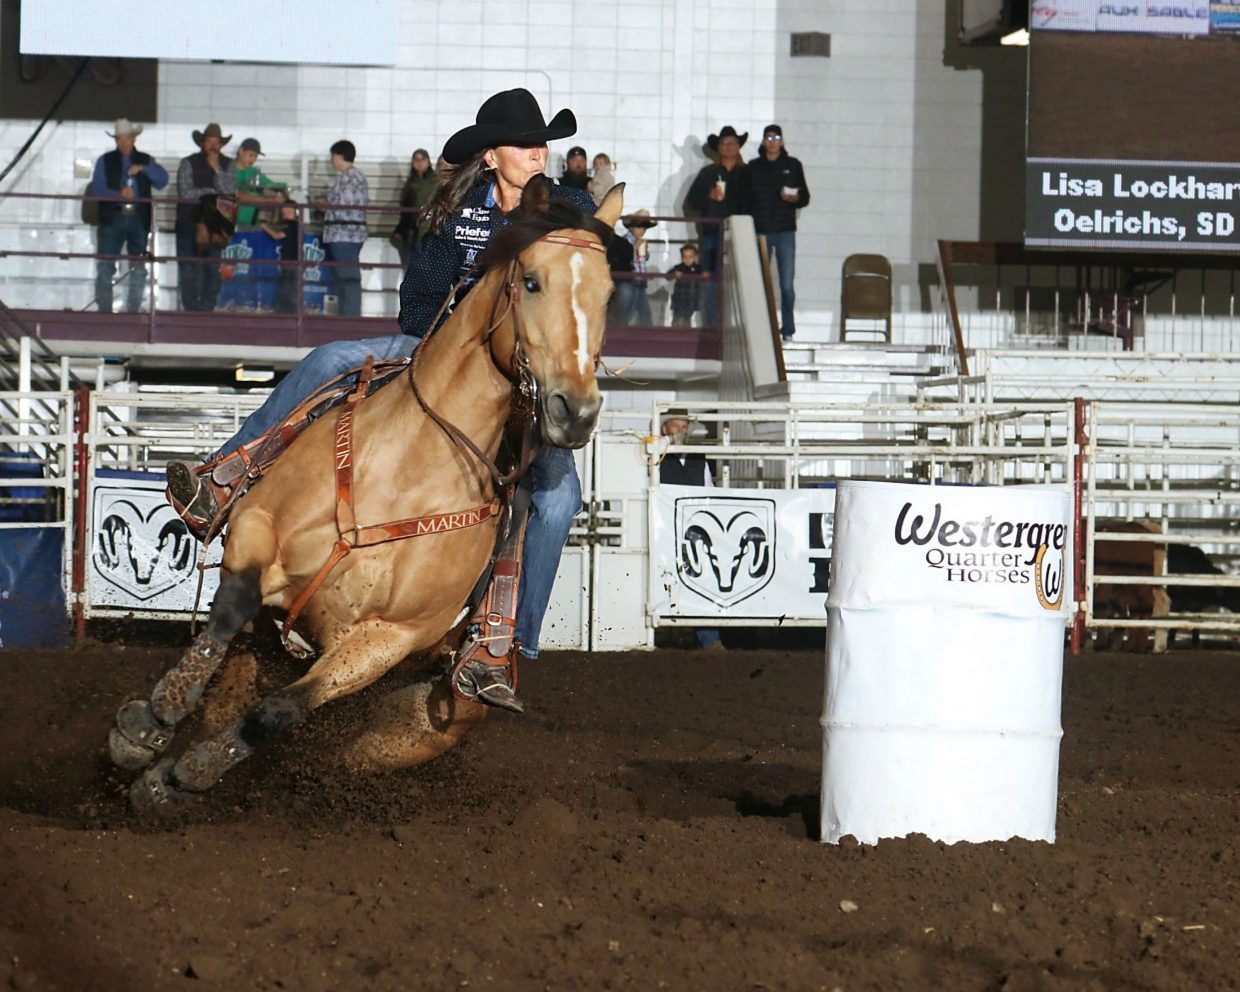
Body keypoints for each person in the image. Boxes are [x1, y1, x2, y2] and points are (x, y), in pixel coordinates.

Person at [166, 87, 597, 711]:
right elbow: (419, 297)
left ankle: (501, 644)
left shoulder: (565, 204)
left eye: (541, 143)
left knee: (558, 497)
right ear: (491, 155)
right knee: (329, 360)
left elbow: (601, 255)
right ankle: (226, 478)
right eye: (526, 144)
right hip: (440, 352)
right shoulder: (460, 211)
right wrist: (445, 345)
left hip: (524, 375)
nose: (539, 153)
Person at [658, 409, 722, 650]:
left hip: (693, 529)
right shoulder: (656, 453)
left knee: (701, 578)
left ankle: (708, 638)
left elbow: (709, 492)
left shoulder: (698, 457)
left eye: (684, 427)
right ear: (665, 429)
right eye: (675, 426)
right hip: (664, 528)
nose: (680, 431)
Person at [90, 118, 168, 314]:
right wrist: (118, 194)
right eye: (122, 139)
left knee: (138, 268)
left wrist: (143, 168)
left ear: (133, 139)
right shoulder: (105, 160)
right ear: (117, 140)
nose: (125, 142)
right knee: (107, 267)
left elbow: (162, 180)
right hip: (114, 217)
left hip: (137, 218)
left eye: (128, 138)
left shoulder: (144, 160)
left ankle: (132, 308)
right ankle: (105, 309)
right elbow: (98, 190)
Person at [684, 125, 750, 327]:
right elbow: (691, 202)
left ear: (738, 146)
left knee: (741, 281)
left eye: (732, 143)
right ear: (718, 147)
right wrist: (709, 197)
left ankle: (738, 325)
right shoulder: (708, 173)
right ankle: (712, 325)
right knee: (712, 280)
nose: (728, 147)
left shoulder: (748, 174)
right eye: (724, 143)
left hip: (741, 235)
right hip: (713, 233)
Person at [749, 124, 810, 341]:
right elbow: (746, 199)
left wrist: (795, 199)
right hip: (761, 231)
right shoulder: (754, 167)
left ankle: (788, 329)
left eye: (777, 137)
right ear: (764, 141)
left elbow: (805, 197)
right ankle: (760, 327)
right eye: (769, 137)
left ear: (782, 141)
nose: (773, 141)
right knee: (760, 283)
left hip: (785, 231)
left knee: (786, 285)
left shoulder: (793, 165)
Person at [176, 123, 233, 311]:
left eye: (217, 142)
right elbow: (185, 192)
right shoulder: (188, 162)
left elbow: (230, 193)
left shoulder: (227, 164)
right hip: (189, 221)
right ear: (202, 143)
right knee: (188, 270)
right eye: (210, 141)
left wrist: (216, 170)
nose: (214, 146)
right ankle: (191, 309)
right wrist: (210, 192)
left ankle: (207, 308)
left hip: (216, 225)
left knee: (213, 270)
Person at [315, 140, 368, 317]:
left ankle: (350, 317)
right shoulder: (354, 176)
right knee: (347, 277)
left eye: (332, 155)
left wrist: (325, 204)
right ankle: (349, 315)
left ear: (339, 155)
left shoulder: (349, 177)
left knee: (347, 278)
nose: (331, 160)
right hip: (349, 234)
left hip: (344, 234)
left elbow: (345, 206)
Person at [217, 137, 287, 228]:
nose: (253, 160)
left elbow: (272, 185)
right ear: (241, 151)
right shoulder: (227, 170)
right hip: (228, 225)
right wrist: (270, 199)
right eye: (251, 155)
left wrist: (283, 189)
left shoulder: (255, 173)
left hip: (252, 226)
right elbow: (237, 195)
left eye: (255, 157)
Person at [391, 148, 436, 264]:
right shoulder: (410, 182)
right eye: (416, 160)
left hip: (428, 230)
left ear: (428, 161)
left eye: (422, 159)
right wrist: (400, 230)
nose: (419, 162)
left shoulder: (435, 181)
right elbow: (405, 209)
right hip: (410, 231)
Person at [617, 210, 655, 325]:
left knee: (644, 312)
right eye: (639, 227)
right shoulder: (623, 241)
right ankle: (621, 333)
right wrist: (634, 248)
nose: (642, 231)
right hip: (628, 280)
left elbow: (644, 259)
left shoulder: (641, 242)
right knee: (627, 311)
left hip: (640, 281)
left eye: (644, 228)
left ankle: (648, 336)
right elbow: (621, 258)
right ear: (631, 227)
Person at [667, 241, 703, 327]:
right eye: (684, 256)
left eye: (690, 257)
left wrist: (704, 275)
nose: (687, 259)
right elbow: (667, 276)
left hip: (691, 298)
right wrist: (674, 273)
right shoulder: (679, 267)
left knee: (687, 318)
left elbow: (705, 278)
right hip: (679, 298)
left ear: (695, 257)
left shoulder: (698, 268)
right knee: (676, 317)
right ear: (681, 257)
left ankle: (687, 335)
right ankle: (673, 334)